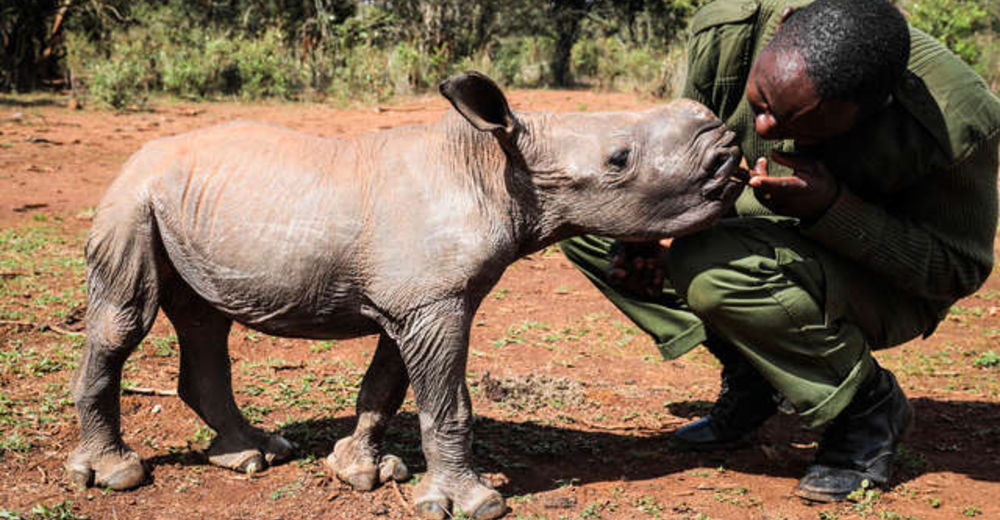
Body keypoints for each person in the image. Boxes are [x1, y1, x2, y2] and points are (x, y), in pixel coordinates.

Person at [560, 0, 1000, 502]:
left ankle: (865, 410)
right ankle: (757, 375)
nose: (765, 128)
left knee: (710, 270)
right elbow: (682, 154)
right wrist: (640, 236)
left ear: (874, 109)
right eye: (761, 100)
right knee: (590, 217)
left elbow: (956, 272)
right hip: (748, 244)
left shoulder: (956, 120)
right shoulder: (728, 33)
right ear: (780, 31)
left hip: (874, 285)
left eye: (801, 126)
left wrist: (832, 209)